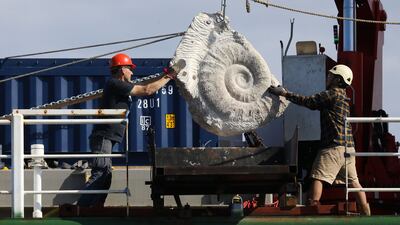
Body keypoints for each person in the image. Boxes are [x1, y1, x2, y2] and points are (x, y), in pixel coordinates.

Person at [77, 53, 177, 207]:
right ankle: (81, 209)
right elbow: (147, 90)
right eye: (130, 69)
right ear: (123, 70)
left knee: (106, 175)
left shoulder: (120, 87)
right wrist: (169, 76)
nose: (132, 72)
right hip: (103, 136)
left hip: (109, 137)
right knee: (101, 172)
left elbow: (145, 87)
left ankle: (96, 208)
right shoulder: (114, 83)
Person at [268, 64, 370, 216]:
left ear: (338, 80)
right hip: (348, 148)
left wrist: (284, 93)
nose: (327, 78)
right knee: (354, 182)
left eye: (331, 76)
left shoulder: (332, 94)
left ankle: (312, 210)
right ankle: (366, 213)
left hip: (333, 147)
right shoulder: (344, 97)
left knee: (317, 176)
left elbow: (309, 101)